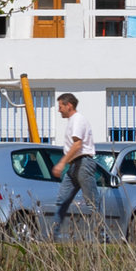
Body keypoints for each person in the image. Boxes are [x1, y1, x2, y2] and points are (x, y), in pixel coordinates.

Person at [49, 92, 102, 241]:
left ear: (69, 105)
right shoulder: (73, 121)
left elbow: (77, 144)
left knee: (92, 202)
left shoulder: (78, 120)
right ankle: (53, 235)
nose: (59, 110)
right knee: (62, 199)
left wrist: (61, 163)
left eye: (60, 106)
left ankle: (100, 237)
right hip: (74, 167)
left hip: (83, 163)